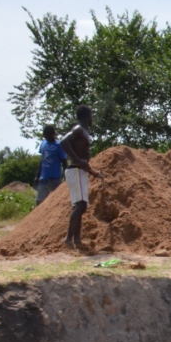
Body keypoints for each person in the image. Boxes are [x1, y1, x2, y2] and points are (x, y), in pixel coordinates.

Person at [59, 105, 105, 249]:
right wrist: (77, 160)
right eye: (91, 116)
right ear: (87, 116)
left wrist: (95, 173)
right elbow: (63, 142)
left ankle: (77, 240)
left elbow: (84, 162)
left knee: (80, 205)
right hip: (76, 170)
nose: (92, 119)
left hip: (80, 171)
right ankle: (68, 239)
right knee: (80, 206)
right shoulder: (79, 129)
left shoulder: (84, 131)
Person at [34, 125, 67, 206]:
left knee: (56, 203)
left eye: (48, 134)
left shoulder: (59, 145)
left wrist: (66, 176)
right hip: (44, 179)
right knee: (39, 201)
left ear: (53, 134)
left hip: (54, 180)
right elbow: (42, 160)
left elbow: (64, 162)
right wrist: (37, 176)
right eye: (45, 135)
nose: (46, 136)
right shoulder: (43, 143)